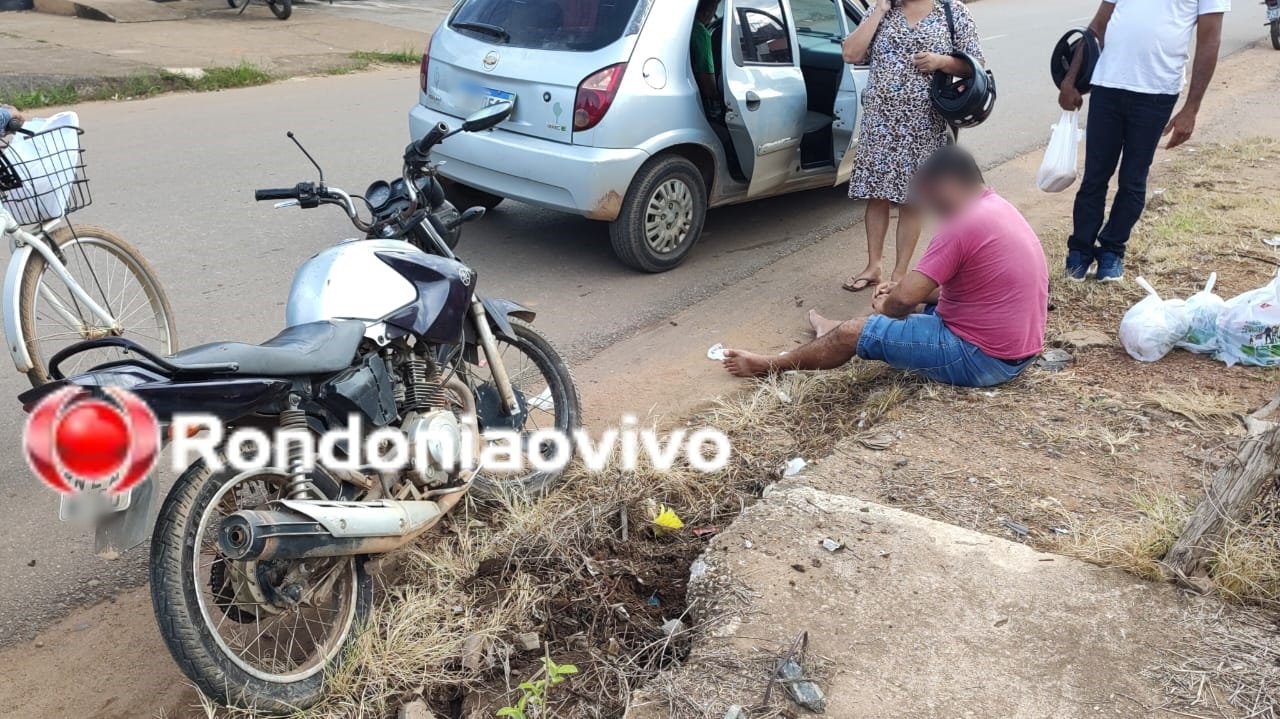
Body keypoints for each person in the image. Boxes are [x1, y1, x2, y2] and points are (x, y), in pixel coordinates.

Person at [721, 146, 1047, 388]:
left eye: (928, 195)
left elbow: (902, 303)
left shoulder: (961, 225)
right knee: (911, 304)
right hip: (1014, 351)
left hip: (982, 359)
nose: (928, 206)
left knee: (858, 330)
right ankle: (832, 331)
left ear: (947, 184)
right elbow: (965, 288)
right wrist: (905, 293)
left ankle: (768, 364)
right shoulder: (995, 207)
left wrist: (888, 304)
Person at [1060, 0, 1230, 283]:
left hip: (1157, 92)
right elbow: (1097, 27)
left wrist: (1191, 109)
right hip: (1107, 85)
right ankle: (1080, 251)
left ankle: (1112, 250)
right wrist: (1070, 79)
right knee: (1095, 176)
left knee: (1133, 178)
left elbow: (1210, 40)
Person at [839, 0, 984, 293]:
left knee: (913, 198)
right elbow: (850, 53)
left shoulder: (952, 11)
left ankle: (899, 274)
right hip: (880, 120)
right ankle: (873, 266)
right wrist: (879, 9)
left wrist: (941, 62)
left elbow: (976, 64)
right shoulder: (883, 9)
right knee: (876, 193)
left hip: (923, 122)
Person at [690, 0, 718, 111]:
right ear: (708, 11)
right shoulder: (701, 34)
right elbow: (709, 89)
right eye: (714, 10)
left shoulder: (686, 27)